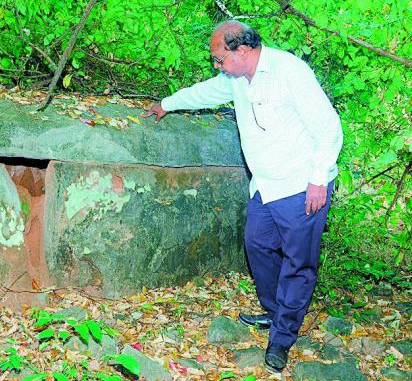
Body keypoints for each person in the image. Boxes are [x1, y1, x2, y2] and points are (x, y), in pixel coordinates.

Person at [143, 20, 343, 373]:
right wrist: (166, 104)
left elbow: (328, 127)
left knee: (299, 264)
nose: (216, 65)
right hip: (265, 186)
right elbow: (204, 92)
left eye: (219, 59)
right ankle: (275, 311)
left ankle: (282, 338)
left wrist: (318, 179)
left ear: (242, 50)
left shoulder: (288, 72)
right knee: (258, 245)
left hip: (301, 186)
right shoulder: (236, 80)